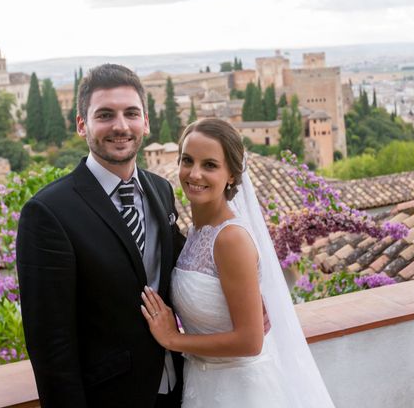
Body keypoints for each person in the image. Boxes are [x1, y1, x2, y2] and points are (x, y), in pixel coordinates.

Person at [16, 64, 185, 408]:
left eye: (131, 113)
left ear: (146, 122)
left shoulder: (161, 190)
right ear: (82, 125)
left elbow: (187, 263)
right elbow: (51, 343)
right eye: (105, 114)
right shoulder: (48, 212)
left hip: (177, 387)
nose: (121, 126)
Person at [141, 118, 336, 407]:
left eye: (210, 165)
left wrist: (173, 339)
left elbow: (250, 341)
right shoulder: (196, 232)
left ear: (232, 174)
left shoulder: (231, 239)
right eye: (187, 160)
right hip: (203, 383)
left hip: (240, 392)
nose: (194, 174)